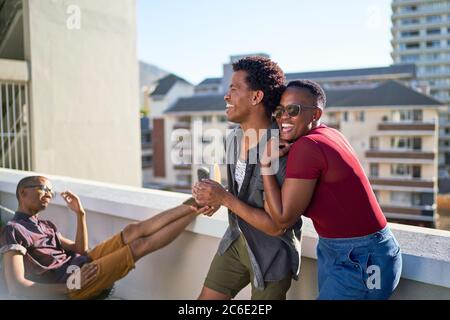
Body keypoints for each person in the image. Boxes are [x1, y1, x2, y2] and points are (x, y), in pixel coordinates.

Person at [259, 80, 402, 300]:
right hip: (351, 251)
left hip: (361, 258)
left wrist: (266, 165)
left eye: (293, 110)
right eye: (279, 111)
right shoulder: (330, 134)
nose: (283, 117)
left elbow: (282, 219)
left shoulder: (308, 147)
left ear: (315, 114)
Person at [193, 56, 302, 300]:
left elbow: (276, 226)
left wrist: (224, 198)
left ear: (256, 97)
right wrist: (215, 197)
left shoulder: (282, 148)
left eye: (233, 88)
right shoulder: (232, 138)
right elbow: (239, 195)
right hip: (236, 239)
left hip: (270, 254)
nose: (226, 96)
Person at [0, 175, 199, 299]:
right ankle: (197, 210)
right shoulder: (14, 229)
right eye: (43, 188)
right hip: (72, 281)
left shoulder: (45, 225)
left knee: (132, 230)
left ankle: (195, 203)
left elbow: (79, 249)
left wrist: (80, 214)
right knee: (138, 246)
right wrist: (68, 288)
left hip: (83, 261)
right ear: (23, 192)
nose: (49, 194)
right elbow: (17, 286)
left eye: (51, 191)